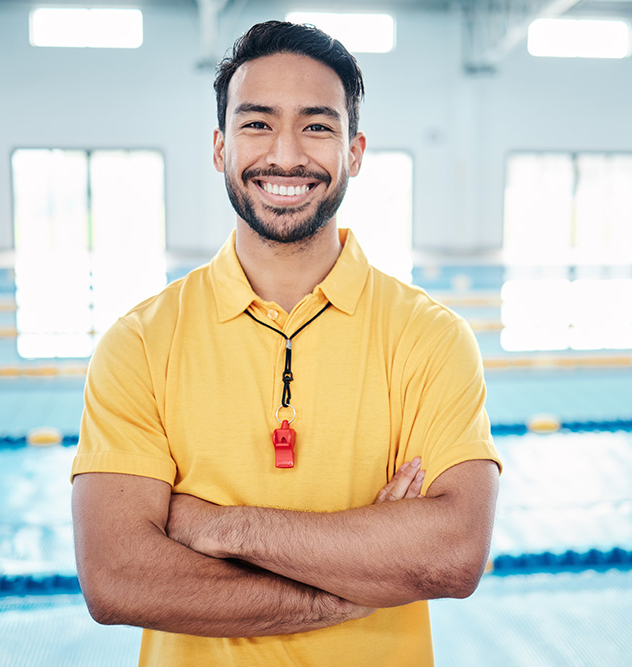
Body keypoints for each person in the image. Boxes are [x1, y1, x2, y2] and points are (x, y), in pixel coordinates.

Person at [71, 20, 501, 667]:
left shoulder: (428, 336)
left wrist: (219, 526)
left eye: (317, 125)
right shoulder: (139, 341)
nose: (286, 154)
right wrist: (350, 586)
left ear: (354, 150)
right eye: (256, 123)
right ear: (219, 147)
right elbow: (116, 578)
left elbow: (452, 554)